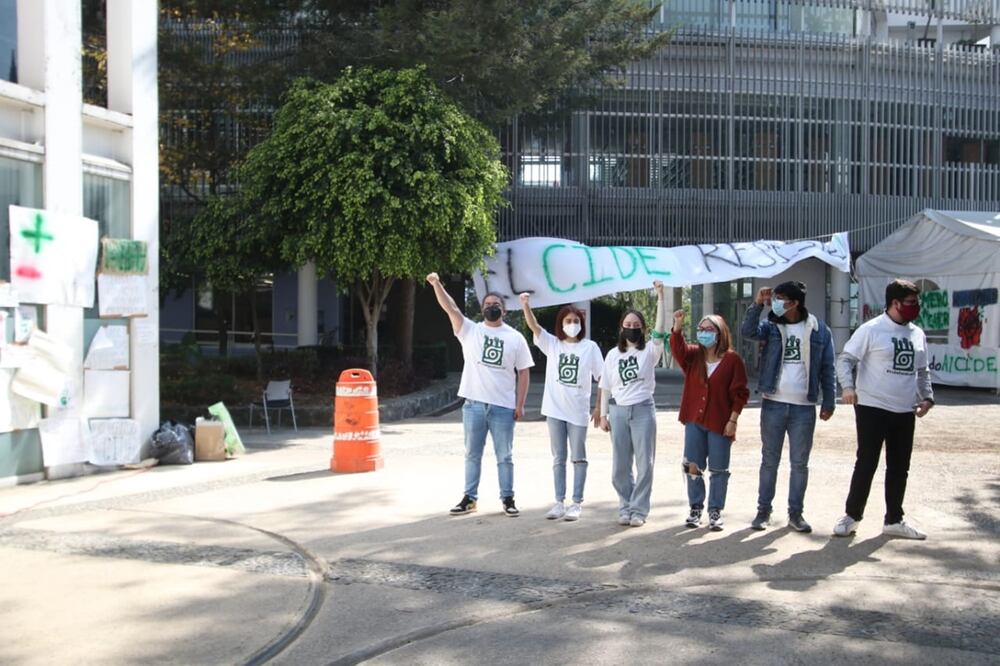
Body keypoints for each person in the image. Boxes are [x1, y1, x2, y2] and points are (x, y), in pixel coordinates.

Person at [833, 279, 934, 540]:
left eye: (916, 302)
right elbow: (844, 359)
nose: (916, 307)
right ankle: (852, 516)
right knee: (866, 463)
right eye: (911, 303)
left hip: (904, 410)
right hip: (872, 407)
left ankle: (894, 519)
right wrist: (847, 387)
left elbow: (922, 370)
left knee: (900, 466)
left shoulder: (917, 333)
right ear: (894, 303)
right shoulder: (872, 330)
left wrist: (927, 397)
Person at [427, 273, 534, 517]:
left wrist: (520, 404)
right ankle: (469, 498)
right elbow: (451, 307)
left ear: (504, 311)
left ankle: (508, 498)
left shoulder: (515, 338)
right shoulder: (470, 331)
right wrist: (436, 284)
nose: (491, 308)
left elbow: (524, 373)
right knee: (472, 455)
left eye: (496, 305)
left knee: (504, 456)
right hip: (473, 405)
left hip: (503, 408)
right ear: (481, 309)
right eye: (487, 305)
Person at [740, 281, 836, 534]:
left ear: (795, 303)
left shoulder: (819, 329)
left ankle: (796, 514)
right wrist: (757, 305)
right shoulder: (771, 326)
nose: (776, 302)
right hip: (773, 403)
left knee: (799, 464)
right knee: (769, 460)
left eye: (781, 299)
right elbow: (747, 331)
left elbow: (828, 367)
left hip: (804, 407)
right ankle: (763, 511)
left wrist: (829, 401)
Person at [520, 294, 603, 521]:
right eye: (568, 321)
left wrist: (598, 408)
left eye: (576, 321)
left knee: (578, 457)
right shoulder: (553, 344)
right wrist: (525, 305)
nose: (572, 325)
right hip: (555, 411)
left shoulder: (590, 347)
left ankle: (576, 503)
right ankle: (559, 501)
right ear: (561, 324)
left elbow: (603, 379)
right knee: (558, 457)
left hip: (578, 412)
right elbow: (534, 327)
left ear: (581, 324)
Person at [671, 308, 749, 531]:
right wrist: (677, 326)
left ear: (720, 332)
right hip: (694, 420)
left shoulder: (732, 360)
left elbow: (740, 393)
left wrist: (733, 420)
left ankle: (715, 510)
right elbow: (678, 349)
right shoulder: (694, 356)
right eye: (701, 329)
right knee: (692, 465)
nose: (704, 333)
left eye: (709, 329)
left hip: (720, 421)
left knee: (719, 469)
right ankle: (695, 507)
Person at [598, 280, 668, 527]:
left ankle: (639, 509)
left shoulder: (650, 350)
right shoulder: (612, 355)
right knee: (620, 464)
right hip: (617, 410)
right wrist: (603, 414)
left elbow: (661, 328)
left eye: (636, 325)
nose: (631, 329)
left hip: (642, 410)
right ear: (621, 328)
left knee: (644, 463)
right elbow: (605, 386)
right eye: (627, 325)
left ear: (643, 328)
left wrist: (660, 296)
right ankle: (625, 505)